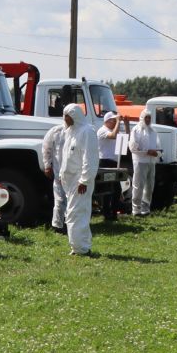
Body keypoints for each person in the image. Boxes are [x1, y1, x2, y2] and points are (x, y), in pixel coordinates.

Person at [56, 103, 99, 255]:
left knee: (77, 213)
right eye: (64, 115)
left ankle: (80, 248)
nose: (65, 118)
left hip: (80, 182)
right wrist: (62, 174)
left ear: (75, 116)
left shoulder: (86, 132)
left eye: (67, 115)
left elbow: (90, 158)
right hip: (70, 182)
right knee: (74, 212)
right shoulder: (69, 132)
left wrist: (85, 180)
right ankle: (79, 246)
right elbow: (66, 156)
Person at [126, 109, 161, 216]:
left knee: (149, 186)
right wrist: (146, 152)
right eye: (146, 117)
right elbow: (132, 147)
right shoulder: (136, 130)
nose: (148, 119)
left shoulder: (153, 131)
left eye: (149, 117)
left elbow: (159, 147)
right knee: (138, 185)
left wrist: (157, 154)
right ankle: (136, 210)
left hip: (151, 162)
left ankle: (145, 209)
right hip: (140, 161)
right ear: (142, 117)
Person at [40, 121, 68, 231]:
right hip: (59, 170)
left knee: (71, 199)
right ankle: (58, 225)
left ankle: (69, 223)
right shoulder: (56, 131)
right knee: (60, 199)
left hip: (74, 172)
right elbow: (46, 149)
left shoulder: (78, 131)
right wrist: (47, 166)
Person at [96, 111, 123, 220]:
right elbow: (113, 136)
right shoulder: (102, 130)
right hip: (105, 161)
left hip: (113, 162)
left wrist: (124, 123)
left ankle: (114, 213)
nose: (114, 122)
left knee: (116, 189)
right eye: (112, 120)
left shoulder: (113, 130)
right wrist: (118, 121)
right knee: (107, 189)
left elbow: (125, 137)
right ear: (106, 121)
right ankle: (107, 214)